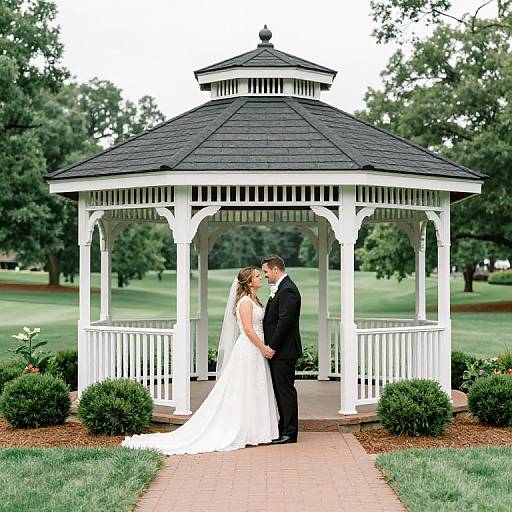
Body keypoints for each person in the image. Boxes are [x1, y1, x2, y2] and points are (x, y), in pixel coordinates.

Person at [121, 267, 279, 455]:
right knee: (244, 388)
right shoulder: (245, 302)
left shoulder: (254, 299)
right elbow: (248, 329)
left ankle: (257, 431)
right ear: (249, 281)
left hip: (256, 350)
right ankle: (244, 431)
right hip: (249, 349)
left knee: (255, 388)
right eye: (257, 276)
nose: (260, 277)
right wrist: (264, 348)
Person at [261, 255, 302, 444]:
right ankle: (283, 428)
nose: (265, 275)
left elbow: (284, 323)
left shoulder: (288, 290)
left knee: (285, 392)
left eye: (266, 272)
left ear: (276, 269)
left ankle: (290, 433)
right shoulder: (281, 289)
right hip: (280, 351)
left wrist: (272, 347)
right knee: (280, 391)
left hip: (284, 351)